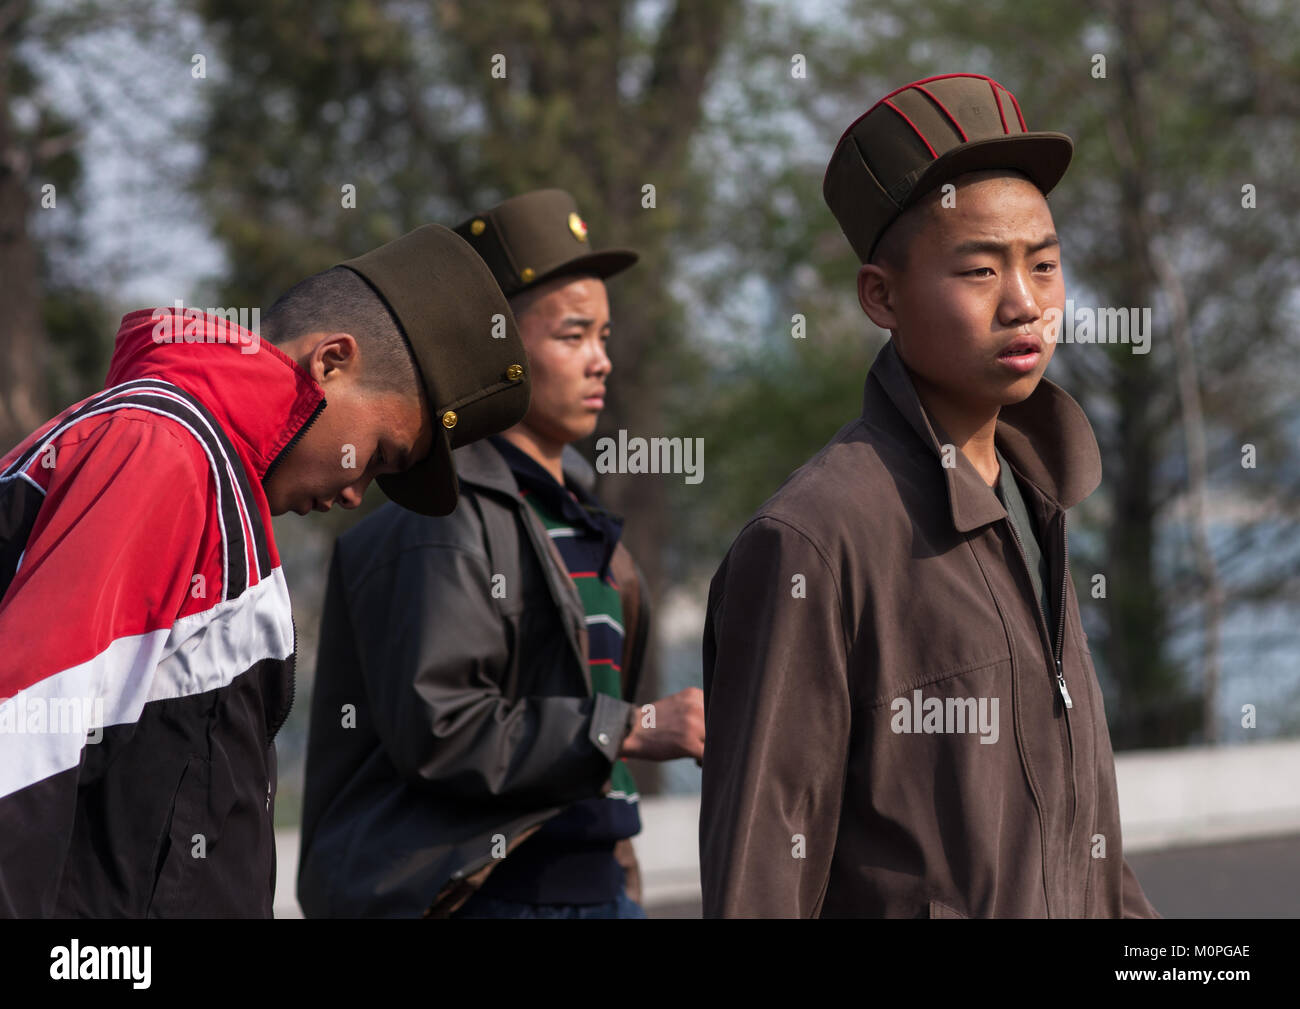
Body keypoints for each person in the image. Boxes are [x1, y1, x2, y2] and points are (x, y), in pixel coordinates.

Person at [699, 73, 1160, 918]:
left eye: (1046, 265)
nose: (1025, 303)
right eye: (980, 268)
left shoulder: (1035, 500)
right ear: (881, 295)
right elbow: (761, 874)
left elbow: (1084, 857)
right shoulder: (814, 540)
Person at [0, 224, 530, 917]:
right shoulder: (162, 451)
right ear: (332, 361)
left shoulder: (200, 468)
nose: (352, 492)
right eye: (376, 456)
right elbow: (24, 739)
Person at [298, 189, 705, 918]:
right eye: (573, 335)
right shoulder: (444, 516)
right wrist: (638, 726)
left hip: (601, 896)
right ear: (497, 345)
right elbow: (443, 730)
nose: (601, 362)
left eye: (605, 336)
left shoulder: (586, 522)